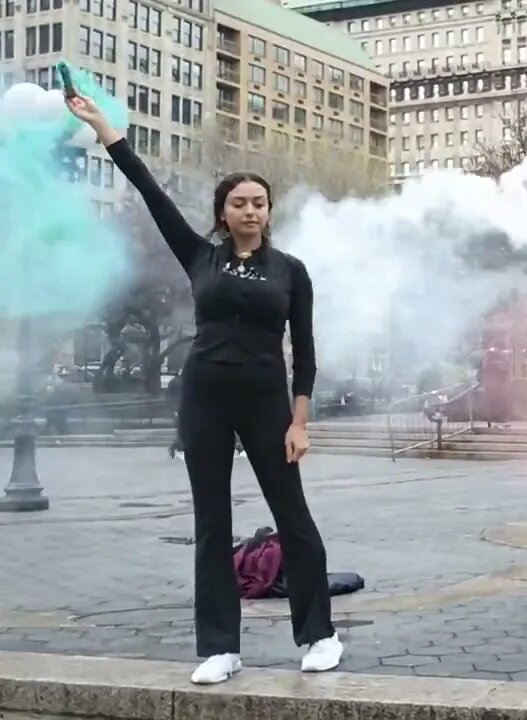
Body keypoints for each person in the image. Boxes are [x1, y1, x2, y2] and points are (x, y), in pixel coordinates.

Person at [66, 95, 341, 685]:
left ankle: (319, 634)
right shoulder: (199, 256)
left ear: (269, 212)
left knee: (292, 516)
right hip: (205, 400)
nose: (250, 210)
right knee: (211, 520)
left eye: (259, 203)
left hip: (268, 401)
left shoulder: (291, 271)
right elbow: (147, 188)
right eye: (239, 202)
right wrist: (104, 128)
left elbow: (307, 352)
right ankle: (220, 646)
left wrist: (300, 421)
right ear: (222, 212)